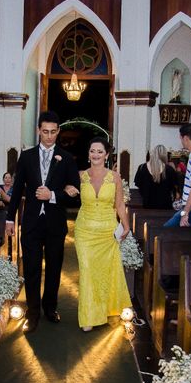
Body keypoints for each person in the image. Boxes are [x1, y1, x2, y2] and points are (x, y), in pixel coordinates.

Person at [6, 111, 80, 334]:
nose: (49, 136)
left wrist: (54, 195)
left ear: (58, 131)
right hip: (31, 222)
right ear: (38, 130)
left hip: (56, 223)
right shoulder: (26, 156)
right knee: (31, 269)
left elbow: (75, 193)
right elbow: (18, 189)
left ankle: (50, 308)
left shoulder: (66, 158)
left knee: (55, 268)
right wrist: (10, 218)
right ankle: (33, 312)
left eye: (53, 132)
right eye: (45, 131)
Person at [65, 137, 132, 332]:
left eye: (99, 151)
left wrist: (125, 226)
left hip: (106, 232)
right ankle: (88, 316)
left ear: (107, 155)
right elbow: (62, 184)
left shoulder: (115, 177)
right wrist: (67, 187)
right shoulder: (80, 175)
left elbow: (119, 204)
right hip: (84, 231)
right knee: (87, 272)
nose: (95, 154)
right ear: (88, 154)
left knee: (103, 273)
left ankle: (103, 309)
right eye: (92, 151)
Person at [134, 145, 177, 209]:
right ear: (165, 155)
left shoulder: (142, 168)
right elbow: (173, 187)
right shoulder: (170, 170)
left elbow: (138, 184)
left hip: (147, 205)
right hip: (165, 207)